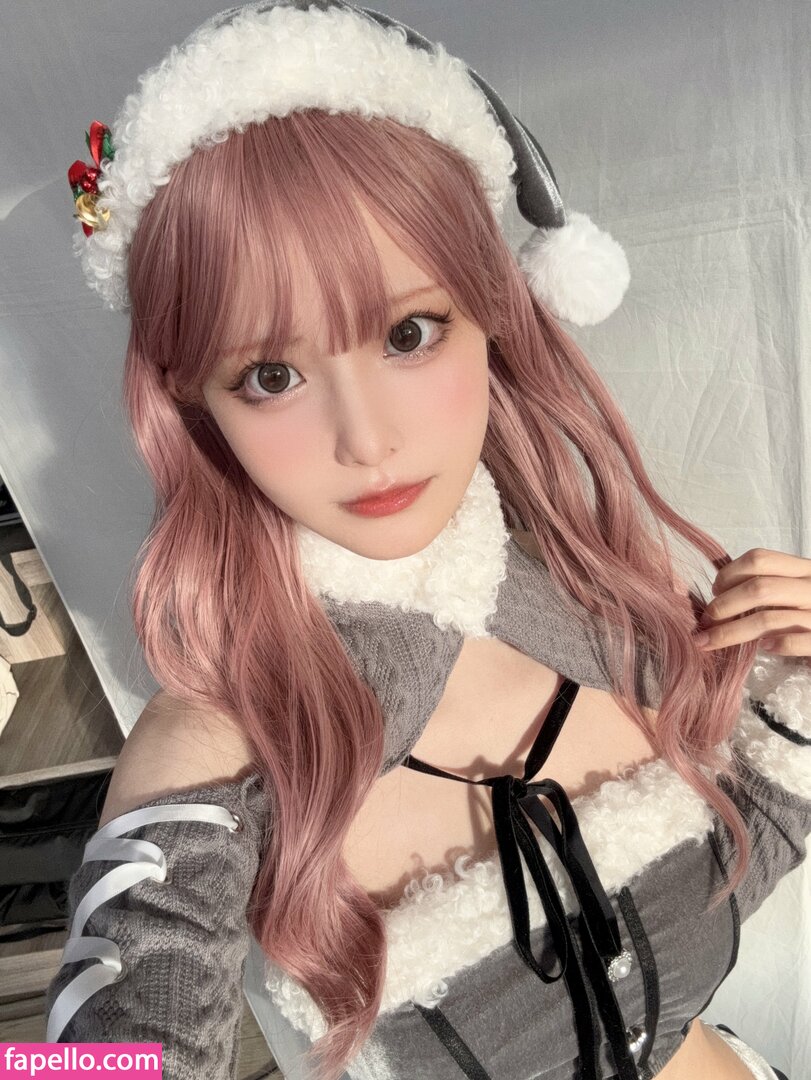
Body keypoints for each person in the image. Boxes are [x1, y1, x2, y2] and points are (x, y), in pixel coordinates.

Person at [45, 3, 811, 1079]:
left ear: (493, 311)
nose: (367, 441)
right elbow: (107, 1060)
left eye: (408, 333)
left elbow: (744, 852)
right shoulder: (225, 749)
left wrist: (797, 694)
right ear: (195, 401)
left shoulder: (607, 606)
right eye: (271, 375)